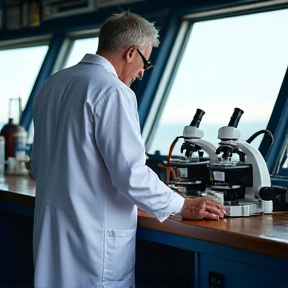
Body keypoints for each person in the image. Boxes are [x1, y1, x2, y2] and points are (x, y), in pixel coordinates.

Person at [32, 10, 225, 288]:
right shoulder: (113, 92)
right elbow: (132, 176)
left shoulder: (52, 85)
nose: (142, 72)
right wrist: (182, 205)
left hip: (52, 241)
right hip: (92, 248)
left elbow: (39, 166)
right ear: (131, 52)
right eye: (145, 62)